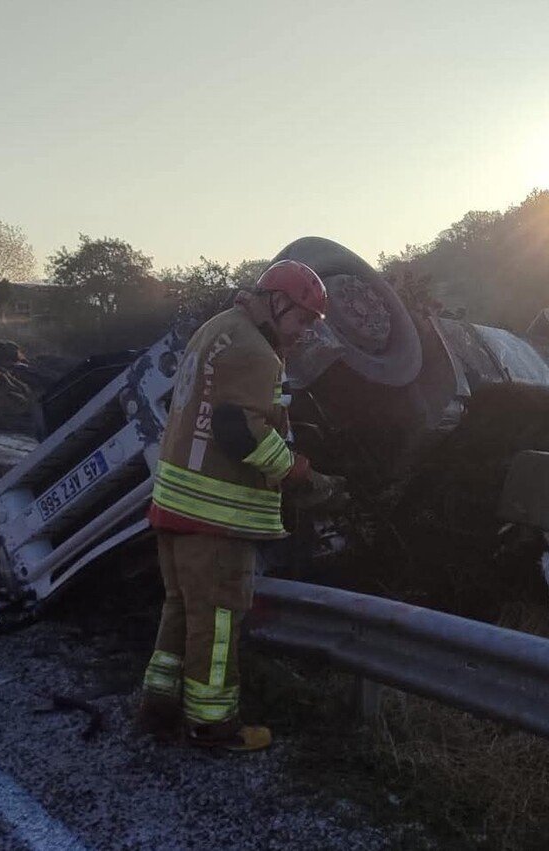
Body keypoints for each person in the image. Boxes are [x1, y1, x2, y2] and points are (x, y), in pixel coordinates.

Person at [136, 259, 337, 752]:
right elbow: (238, 429)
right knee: (220, 620)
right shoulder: (256, 353)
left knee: (183, 609)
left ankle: (158, 707)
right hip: (215, 517)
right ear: (277, 301)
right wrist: (299, 474)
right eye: (304, 318)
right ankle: (213, 726)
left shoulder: (217, 330)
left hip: (176, 505)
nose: (306, 331)